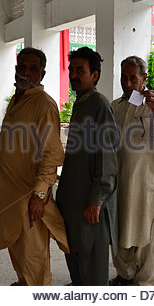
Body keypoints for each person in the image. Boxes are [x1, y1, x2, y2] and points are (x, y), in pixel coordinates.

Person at [0, 48, 68, 286]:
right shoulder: (18, 99)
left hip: (28, 197)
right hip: (8, 195)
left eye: (33, 68)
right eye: (22, 67)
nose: (26, 73)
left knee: (34, 259)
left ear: (42, 73)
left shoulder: (44, 105)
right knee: (18, 252)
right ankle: (23, 284)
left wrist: (39, 196)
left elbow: (51, 156)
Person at [109, 56, 154, 286]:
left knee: (148, 239)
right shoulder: (115, 106)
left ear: (144, 78)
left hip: (147, 185)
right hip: (120, 184)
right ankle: (124, 275)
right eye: (123, 77)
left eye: (133, 78)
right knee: (120, 233)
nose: (127, 83)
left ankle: (147, 284)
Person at [56, 47, 118, 286]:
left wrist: (96, 199)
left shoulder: (99, 104)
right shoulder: (80, 103)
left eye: (80, 70)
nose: (74, 75)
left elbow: (107, 155)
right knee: (76, 254)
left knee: (92, 260)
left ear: (95, 76)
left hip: (89, 201)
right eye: (71, 70)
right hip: (73, 196)